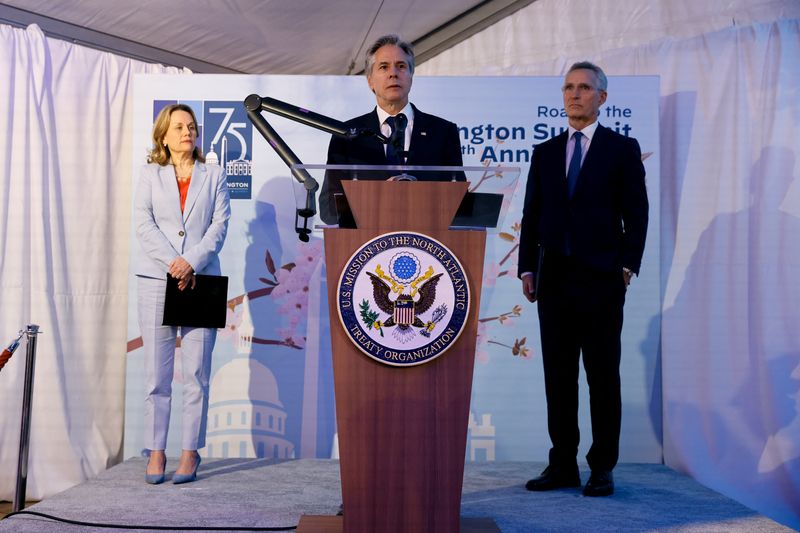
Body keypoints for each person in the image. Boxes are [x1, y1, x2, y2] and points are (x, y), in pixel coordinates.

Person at [517, 62, 648, 497]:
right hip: (553, 280)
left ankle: (602, 466)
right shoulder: (546, 152)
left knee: (602, 376)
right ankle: (563, 465)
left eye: (585, 88)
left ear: (602, 98)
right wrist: (526, 266)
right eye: (569, 87)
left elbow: (638, 213)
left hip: (602, 280)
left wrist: (628, 264)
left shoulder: (622, 148)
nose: (575, 94)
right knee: (558, 376)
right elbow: (531, 214)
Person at [134, 103, 231, 485]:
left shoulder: (215, 175)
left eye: (191, 126)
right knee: (156, 377)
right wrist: (174, 263)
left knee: (196, 375)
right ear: (163, 135)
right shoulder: (149, 175)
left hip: (201, 280)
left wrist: (189, 262)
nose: (187, 132)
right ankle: (156, 452)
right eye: (178, 127)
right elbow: (144, 224)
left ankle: (190, 453)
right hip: (157, 280)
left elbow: (219, 227)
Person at [319, 34, 464, 224]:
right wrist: (377, 196)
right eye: (384, 67)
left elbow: (460, 200)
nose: (393, 73)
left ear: (411, 76)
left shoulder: (443, 132)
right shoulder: (346, 134)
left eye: (401, 66)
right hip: (367, 246)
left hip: (427, 242)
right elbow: (329, 209)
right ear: (370, 80)